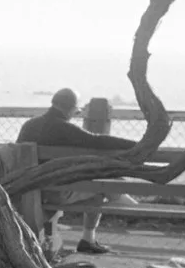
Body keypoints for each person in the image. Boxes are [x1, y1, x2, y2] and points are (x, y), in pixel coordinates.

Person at [16, 88, 138, 256]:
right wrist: (135, 145)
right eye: (76, 110)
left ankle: (124, 203)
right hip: (55, 193)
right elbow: (97, 141)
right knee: (101, 187)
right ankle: (129, 211)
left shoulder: (29, 126)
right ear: (70, 108)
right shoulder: (64, 129)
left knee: (100, 186)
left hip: (29, 190)